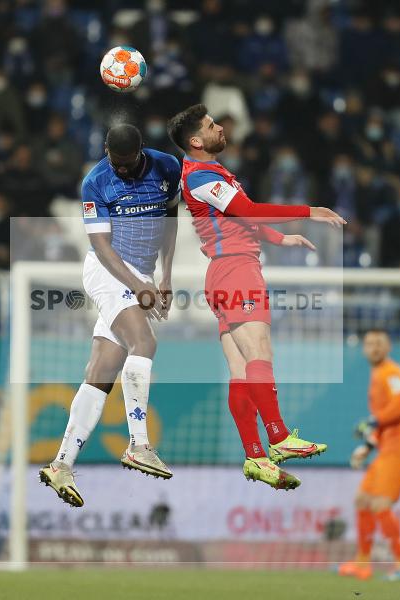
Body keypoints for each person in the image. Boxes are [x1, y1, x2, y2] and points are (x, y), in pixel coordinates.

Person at [166, 104, 345, 490]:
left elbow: (237, 218)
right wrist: (309, 212)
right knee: (260, 354)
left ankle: (255, 456)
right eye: (212, 126)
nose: (220, 129)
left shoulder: (204, 173)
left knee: (241, 371)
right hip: (236, 271)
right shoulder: (201, 176)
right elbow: (246, 210)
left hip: (222, 272)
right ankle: (279, 438)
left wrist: (281, 238)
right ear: (196, 141)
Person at [39, 124, 181, 507]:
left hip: (143, 273)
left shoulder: (167, 167)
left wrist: (164, 277)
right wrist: (139, 287)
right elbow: (101, 246)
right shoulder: (96, 182)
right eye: (115, 162)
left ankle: (61, 464)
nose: (121, 169)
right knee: (144, 342)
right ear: (106, 151)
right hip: (108, 271)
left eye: (128, 163)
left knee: (100, 372)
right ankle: (139, 444)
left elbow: (170, 224)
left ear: (141, 153)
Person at [338, 330, 400, 582]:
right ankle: (362, 563)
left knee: (379, 504)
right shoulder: (377, 375)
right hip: (387, 447)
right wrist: (368, 446)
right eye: (369, 343)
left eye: (378, 343)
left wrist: (373, 420)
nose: (373, 348)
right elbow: (385, 422)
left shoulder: (391, 373)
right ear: (363, 349)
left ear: (388, 347)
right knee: (362, 500)